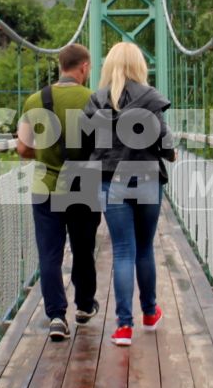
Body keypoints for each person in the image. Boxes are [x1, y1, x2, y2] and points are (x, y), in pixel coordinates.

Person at [83, 41, 172, 347]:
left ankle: (124, 327)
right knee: (145, 249)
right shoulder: (151, 99)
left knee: (123, 251)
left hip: (111, 179)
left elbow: (86, 144)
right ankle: (149, 312)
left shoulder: (96, 100)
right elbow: (167, 145)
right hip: (147, 177)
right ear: (139, 65)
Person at [16, 43, 99, 341]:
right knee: (83, 248)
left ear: (60, 66)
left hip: (45, 187)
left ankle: (55, 316)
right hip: (84, 186)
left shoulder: (35, 100)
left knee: (49, 253)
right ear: (84, 67)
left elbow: (23, 148)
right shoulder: (94, 100)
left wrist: (44, 156)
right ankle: (85, 306)